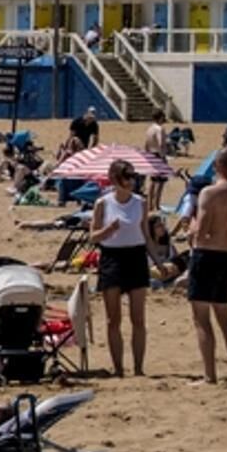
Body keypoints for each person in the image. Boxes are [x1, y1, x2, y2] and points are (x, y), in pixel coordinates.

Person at [188, 148, 227, 383]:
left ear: (216, 165)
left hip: (206, 254)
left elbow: (201, 232)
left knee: (201, 318)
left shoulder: (209, 193)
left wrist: (191, 228)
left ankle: (209, 375)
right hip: (226, 255)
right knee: (224, 316)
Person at [92, 158, 153, 378]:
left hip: (136, 256)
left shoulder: (141, 202)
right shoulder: (104, 203)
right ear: (116, 179)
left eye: (133, 176)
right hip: (112, 258)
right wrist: (108, 230)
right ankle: (118, 367)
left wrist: (157, 261)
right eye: (127, 177)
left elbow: (146, 234)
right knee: (113, 319)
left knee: (138, 318)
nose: (132, 181)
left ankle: (138, 368)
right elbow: (93, 236)